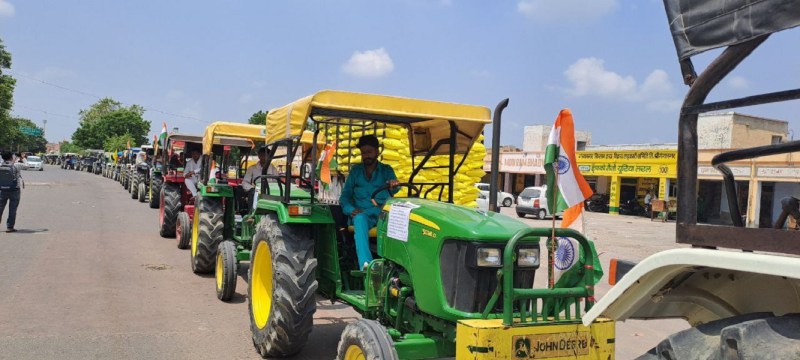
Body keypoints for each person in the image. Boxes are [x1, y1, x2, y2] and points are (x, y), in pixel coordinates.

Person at [339, 135, 399, 270]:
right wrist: (350, 210)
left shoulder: (386, 170)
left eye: (370, 152)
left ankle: (399, 266)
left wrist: (393, 184)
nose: (367, 156)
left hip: (382, 213)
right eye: (364, 153)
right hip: (363, 214)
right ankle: (367, 266)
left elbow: (395, 187)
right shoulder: (355, 171)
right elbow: (344, 198)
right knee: (359, 218)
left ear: (377, 152)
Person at [0, 152, 23, 232]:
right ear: (11, 157)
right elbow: (27, 165)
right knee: (12, 209)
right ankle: (10, 227)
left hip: (2, 190)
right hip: (14, 190)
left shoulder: (0, 165)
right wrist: (21, 158)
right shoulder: (16, 165)